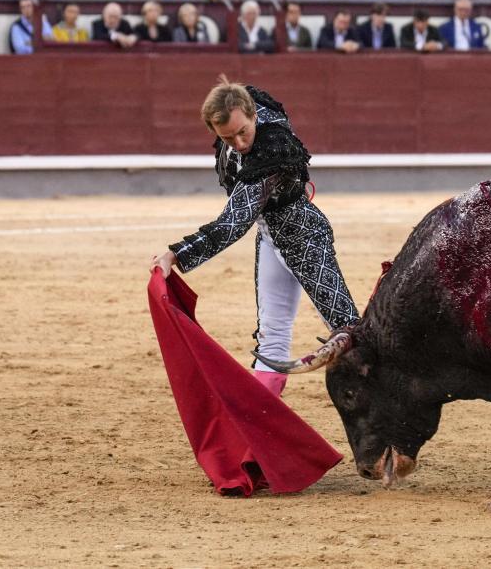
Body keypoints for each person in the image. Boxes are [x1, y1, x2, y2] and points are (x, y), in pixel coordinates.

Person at [150, 77, 360, 398]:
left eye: (243, 131)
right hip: (270, 238)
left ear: (253, 116)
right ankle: (262, 422)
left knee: (347, 330)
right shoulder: (238, 116)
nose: (239, 142)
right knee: (271, 337)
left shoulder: (273, 147)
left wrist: (177, 253)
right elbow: (235, 97)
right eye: (227, 137)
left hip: (304, 237)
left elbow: (232, 223)